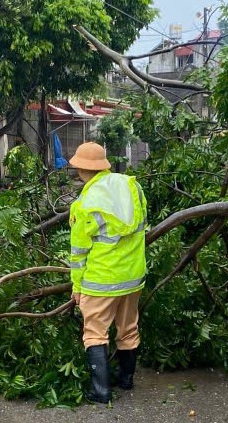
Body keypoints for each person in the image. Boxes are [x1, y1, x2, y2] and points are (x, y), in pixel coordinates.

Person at [68, 142, 147, 403]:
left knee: (95, 333)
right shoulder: (132, 186)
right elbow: (142, 226)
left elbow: (79, 253)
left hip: (100, 281)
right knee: (128, 328)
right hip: (133, 276)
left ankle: (101, 391)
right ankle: (126, 379)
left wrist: (77, 287)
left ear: (81, 169)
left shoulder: (84, 203)